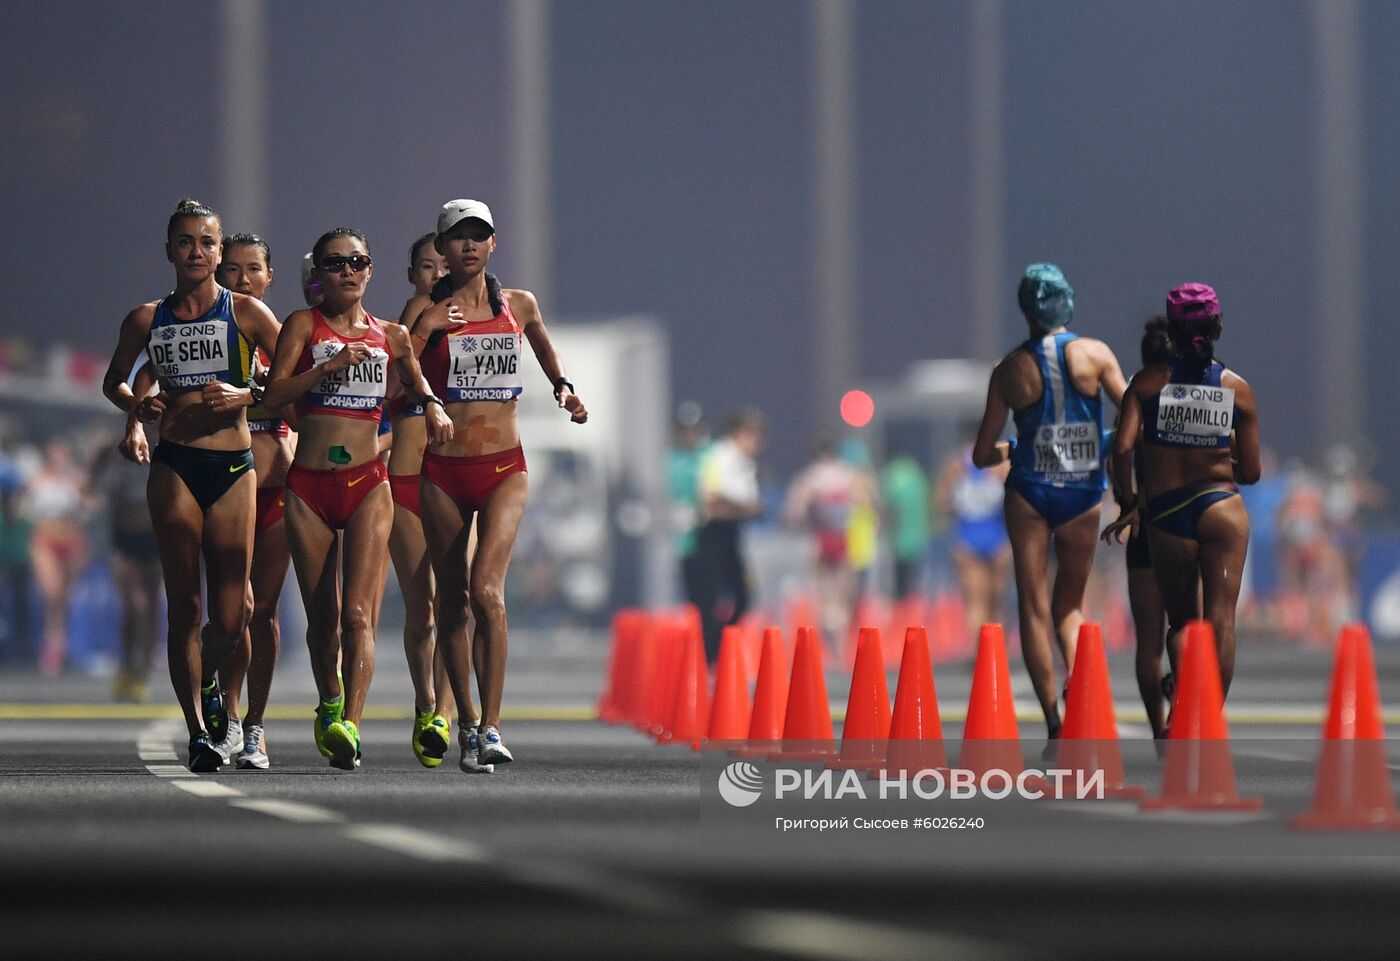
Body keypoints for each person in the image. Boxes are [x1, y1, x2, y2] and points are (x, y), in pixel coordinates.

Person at [102, 198, 281, 771]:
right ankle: (199, 732)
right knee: (185, 605)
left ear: (219, 250)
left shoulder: (247, 313)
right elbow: (115, 381)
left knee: (232, 617)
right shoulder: (146, 319)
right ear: (170, 251)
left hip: (232, 468)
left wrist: (245, 395)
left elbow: (287, 383)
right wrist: (139, 405)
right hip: (175, 465)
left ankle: (212, 688)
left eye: (208, 243)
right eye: (186, 242)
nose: (197, 252)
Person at [264, 227, 452, 771]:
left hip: (369, 483)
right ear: (319, 274)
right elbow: (274, 395)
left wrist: (434, 408)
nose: (348, 270)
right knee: (322, 620)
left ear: (370, 271)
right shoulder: (303, 326)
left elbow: (416, 387)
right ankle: (328, 702)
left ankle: (351, 723)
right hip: (310, 486)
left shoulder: (391, 335)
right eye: (335, 262)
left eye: (358, 261)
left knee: (357, 616)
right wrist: (324, 369)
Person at [408, 198, 586, 771]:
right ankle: (463, 721)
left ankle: (491, 726)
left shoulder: (519, 304)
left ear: (492, 243)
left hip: (504, 466)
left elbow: (541, 345)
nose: (468, 246)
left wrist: (563, 387)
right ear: (442, 247)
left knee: (488, 591)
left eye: (478, 235)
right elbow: (394, 377)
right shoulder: (422, 309)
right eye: (457, 237)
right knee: (454, 601)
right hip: (443, 470)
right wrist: (428, 329)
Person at [971, 264, 1126, 739]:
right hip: (1082, 491)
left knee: (1033, 606)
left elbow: (981, 454)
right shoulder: (1095, 354)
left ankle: (1055, 721)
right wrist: (1100, 440)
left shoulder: (1007, 370)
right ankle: (1083, 696)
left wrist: (1017, 448)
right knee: (1070, 607)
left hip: (1031, 492)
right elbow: (1134, 418)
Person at [1104, 283, 1260, 709]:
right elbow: (1251, 472)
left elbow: (1121, 448)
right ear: (1218, 329)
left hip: (1168, 512)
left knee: (1184, 625)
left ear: (1171, 331)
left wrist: (1128, 501)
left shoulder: (1147, 384)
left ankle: (1182, 713)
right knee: (1222, 621)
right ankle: (1206, 720)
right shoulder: (1237, 389)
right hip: (1221, 507)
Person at [386, 231, 465, 768]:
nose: (438, 276)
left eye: (445, 267)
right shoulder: (408, 321)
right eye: (427, 267)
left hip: (460, 473)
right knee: (423, 608)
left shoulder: (475, 318)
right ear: (412, 275)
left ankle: (443, 714)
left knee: (462, 599)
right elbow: (388, 389)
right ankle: (426, 703)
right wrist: (424, 327)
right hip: (409, 480)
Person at [214, 233, 292, 768]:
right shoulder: (209, 332)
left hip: (280, 492)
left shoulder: (285, 336)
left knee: (261, 611)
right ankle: (227, 714)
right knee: (230, 610)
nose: (243, 279)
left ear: (270, 276)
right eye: (232, 269)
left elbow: (310, 395)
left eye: (253, 269)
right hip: (224, 486)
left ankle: (255, 726)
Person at [1111, 316, 1177, 738]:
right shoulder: (1206, 390)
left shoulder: (1138, 390)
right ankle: (1180, 711)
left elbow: (1119, 449)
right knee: (1191, 627)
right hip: (1192, 518)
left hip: (1147, 521)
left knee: (1148, 640)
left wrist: (1127, 501)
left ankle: (1159, 731)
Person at [93, 431, 162, 702]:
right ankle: (126, 665)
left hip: (154, 537)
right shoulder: (113, 449)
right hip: (123, 539)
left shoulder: (161, 448)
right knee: (134, 606)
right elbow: (92, 483)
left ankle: (141, 672)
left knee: (151, 606)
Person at [694, 407, 765, 663]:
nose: (758, 443)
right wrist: (743, 508)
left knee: (743, 597)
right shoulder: (720, 458)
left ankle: (720, 648)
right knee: (712, 600)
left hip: (732, 534)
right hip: (713, 536)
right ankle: (710, 655)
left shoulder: (745, 464)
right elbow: (711, 500)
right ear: (740, 434)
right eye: (754, 436)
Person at [784, 437, 860, 646]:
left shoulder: (811, 476)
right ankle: (839, 629)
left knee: (823, 587)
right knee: (842, 588)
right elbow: (862, 503)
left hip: (821, 536)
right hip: (842, 535)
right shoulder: (847, 473)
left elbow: (795, 512)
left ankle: (829, 624)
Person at [24, 440, 89, 676]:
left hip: (71, 538)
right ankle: (51, 644)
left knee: (66, 597)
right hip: (45, 539)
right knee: (52, 593)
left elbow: (90, 505)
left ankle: (61, 645)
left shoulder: (76, 479)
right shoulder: (38, 480)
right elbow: (24, 509)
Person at [938, 430, 1012, 640]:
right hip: (997, 536)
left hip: (967, 537)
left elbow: (942, 503)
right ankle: (996, 651)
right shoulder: (1001, 466)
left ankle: (981, 653)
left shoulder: (955, 467)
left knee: (976, 600)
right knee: (997, 599)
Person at [667, 402, 710, 614]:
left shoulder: (709, 456)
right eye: (685, 430)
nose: (690, 435)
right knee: (693, 595)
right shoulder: (673, 461)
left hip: (710, 536)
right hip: (685, 540)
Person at [880, 445, 930, 603]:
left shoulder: (892, 474)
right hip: (917, 535)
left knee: (898, 581)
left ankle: (900, 609)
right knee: (915, 580)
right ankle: (914, 608)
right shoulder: (916, 473)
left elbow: (887, 506)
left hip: (898, 537)